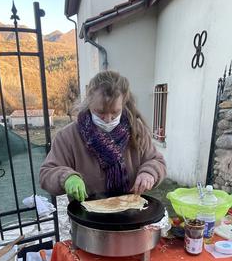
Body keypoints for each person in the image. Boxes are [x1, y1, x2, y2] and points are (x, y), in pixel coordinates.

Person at [39, 70, 166, 201]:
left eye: (115, 112)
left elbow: (157, 161)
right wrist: (66, 177)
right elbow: (46, 173)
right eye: (100, 112)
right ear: (89, 103)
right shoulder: (68, 136)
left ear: (123, 104)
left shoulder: (137, 131)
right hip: (87, 217)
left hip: (131, 214)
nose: (108, 119)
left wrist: (149, 173)